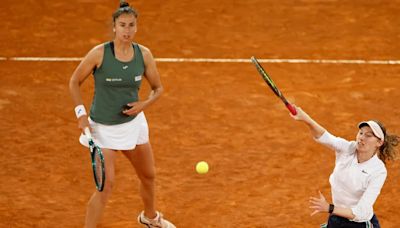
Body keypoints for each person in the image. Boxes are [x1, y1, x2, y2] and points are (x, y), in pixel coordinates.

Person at [69, 1, 175, 228]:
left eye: (131, 25)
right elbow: (74, 82)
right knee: (105, 187)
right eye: (122, 25)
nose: (127, 30)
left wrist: (143, 105)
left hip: (133, 125)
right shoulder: (99, 54)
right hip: (102, 130)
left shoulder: (144, 55)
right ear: (114, 27)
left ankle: (149, 218)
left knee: (148, 175)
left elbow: (158, 88)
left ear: (136, 28)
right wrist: (80, 114)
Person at [291, 105, 399, 228]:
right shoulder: (348, 148)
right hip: (336, 218)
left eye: (368, 135)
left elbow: (361, 212)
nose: (362, 138)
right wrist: (306, 119)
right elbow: (325, 137)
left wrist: (329, 208)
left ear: (379, 143)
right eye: (361, 133)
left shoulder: (378, 171)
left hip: (359, 224)